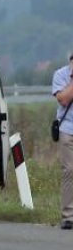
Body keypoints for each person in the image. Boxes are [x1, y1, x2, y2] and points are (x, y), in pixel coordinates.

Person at [52, 54, 73, 230]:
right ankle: (68, 216)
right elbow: (64, 99)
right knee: (69, 171)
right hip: (68, 129)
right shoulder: (60, 75)